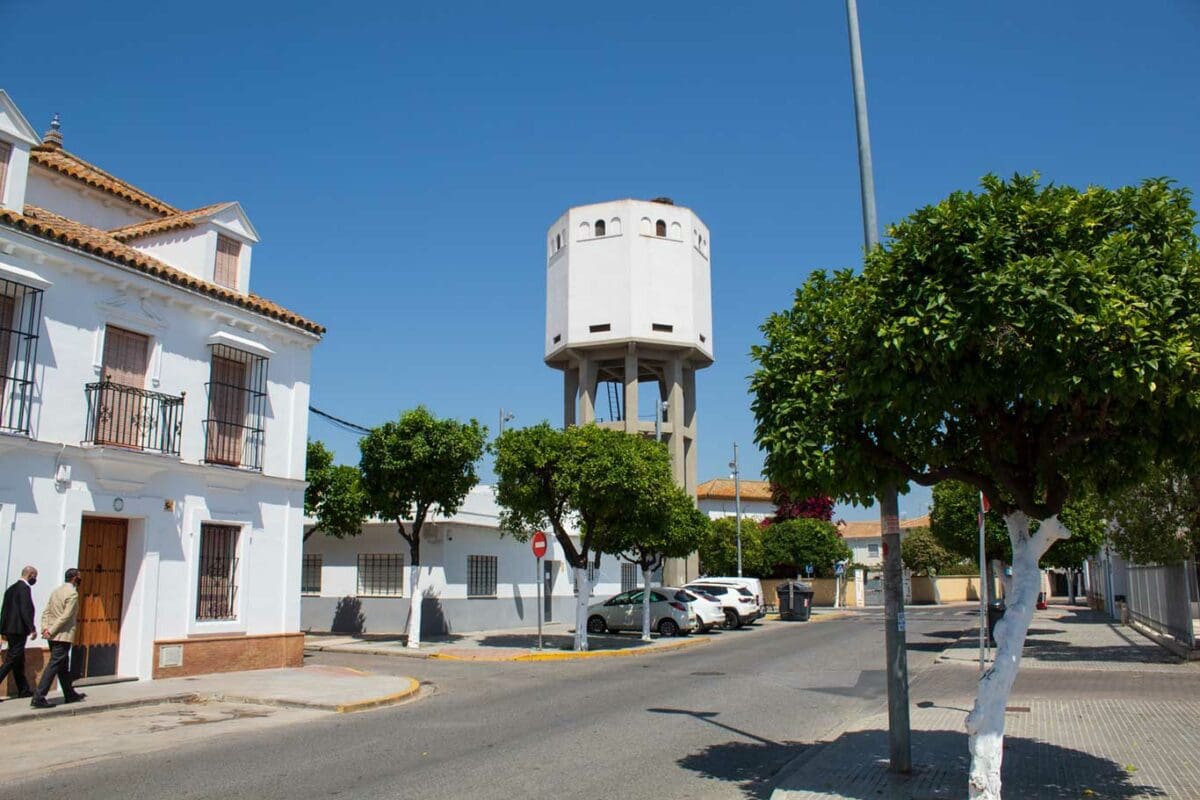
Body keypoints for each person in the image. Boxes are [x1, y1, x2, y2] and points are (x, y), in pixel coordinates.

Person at [31, 568, 85, 708]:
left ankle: (70, 694)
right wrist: (52, 630)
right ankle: (39, 696)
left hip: (52, 634)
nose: (80, 579)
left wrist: (45, 628)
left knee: (62, 666)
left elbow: (46, 611)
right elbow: (66, 616)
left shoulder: (56, 591)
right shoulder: (72, 593)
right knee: (55, 664)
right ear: (74, 578)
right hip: (62, 635)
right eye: (79, 577)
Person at [0, 566, 38, 699]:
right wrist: (32, 628)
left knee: (18, 659)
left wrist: (3, 629)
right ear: (31, 574)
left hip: (10, 629)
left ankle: (23, 689)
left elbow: (4, 610)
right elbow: (25, 610)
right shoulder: (24, 589)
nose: (35, 579)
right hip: (18, 630)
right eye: (35, 576)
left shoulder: (11, 589)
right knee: (12, 659)